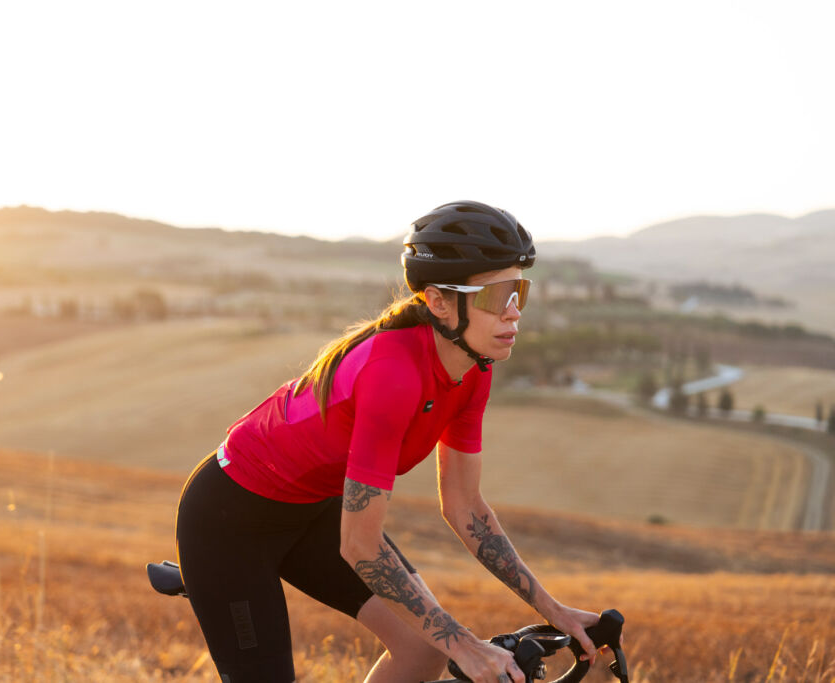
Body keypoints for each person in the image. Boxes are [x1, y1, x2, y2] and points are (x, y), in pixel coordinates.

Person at [174, 201, 607, 683]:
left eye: (518, 291)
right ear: (439, 302)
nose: (512, 313)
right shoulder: (393, 373)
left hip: (312, 509)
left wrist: (555, 609)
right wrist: (466, 645)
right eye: (495, 296)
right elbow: (361, 543)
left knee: (424, 650)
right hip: (230, 521)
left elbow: (465, 506)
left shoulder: (472, 370)